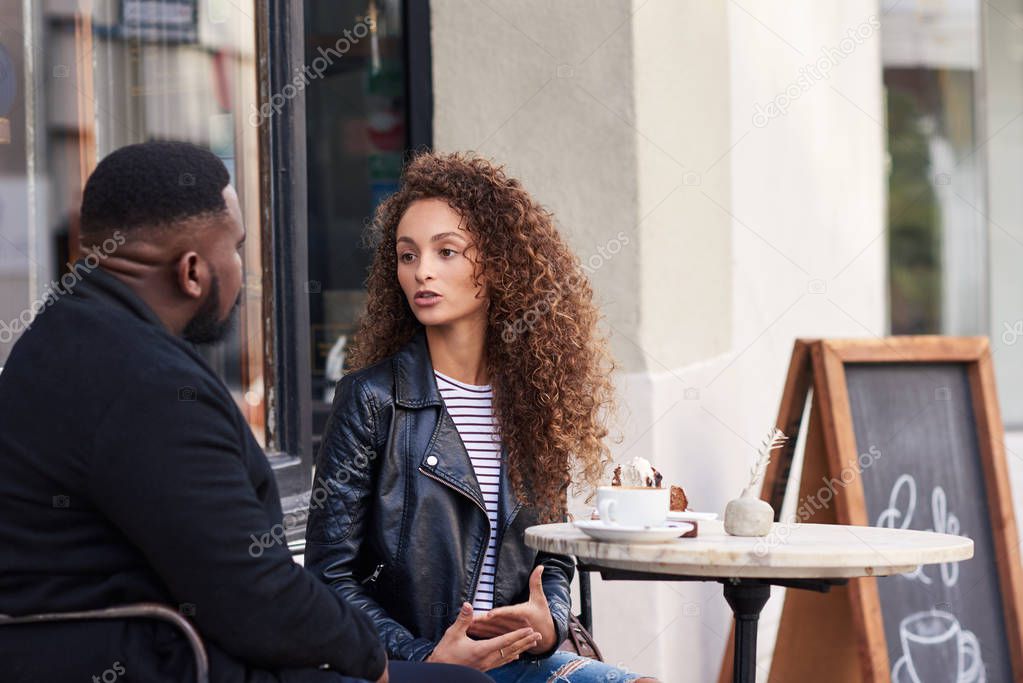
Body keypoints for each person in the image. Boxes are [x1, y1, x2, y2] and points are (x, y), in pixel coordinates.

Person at [0, 141, 489, 683]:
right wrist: (372, 660)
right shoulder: (148, 385)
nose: (242, 268)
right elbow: (251, 592)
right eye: (234, 249)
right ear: (192, 272)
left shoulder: (52, 342)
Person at [306, 152, 658, 682]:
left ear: (497, 264)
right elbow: (329, 576)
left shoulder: (533, 402)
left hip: (516, 663)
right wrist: (426, 657)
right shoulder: (372, 399)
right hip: (410, 666)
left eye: (446, 251)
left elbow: (553, 557)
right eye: (407, 255)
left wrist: (548, 622)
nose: (422, 270)